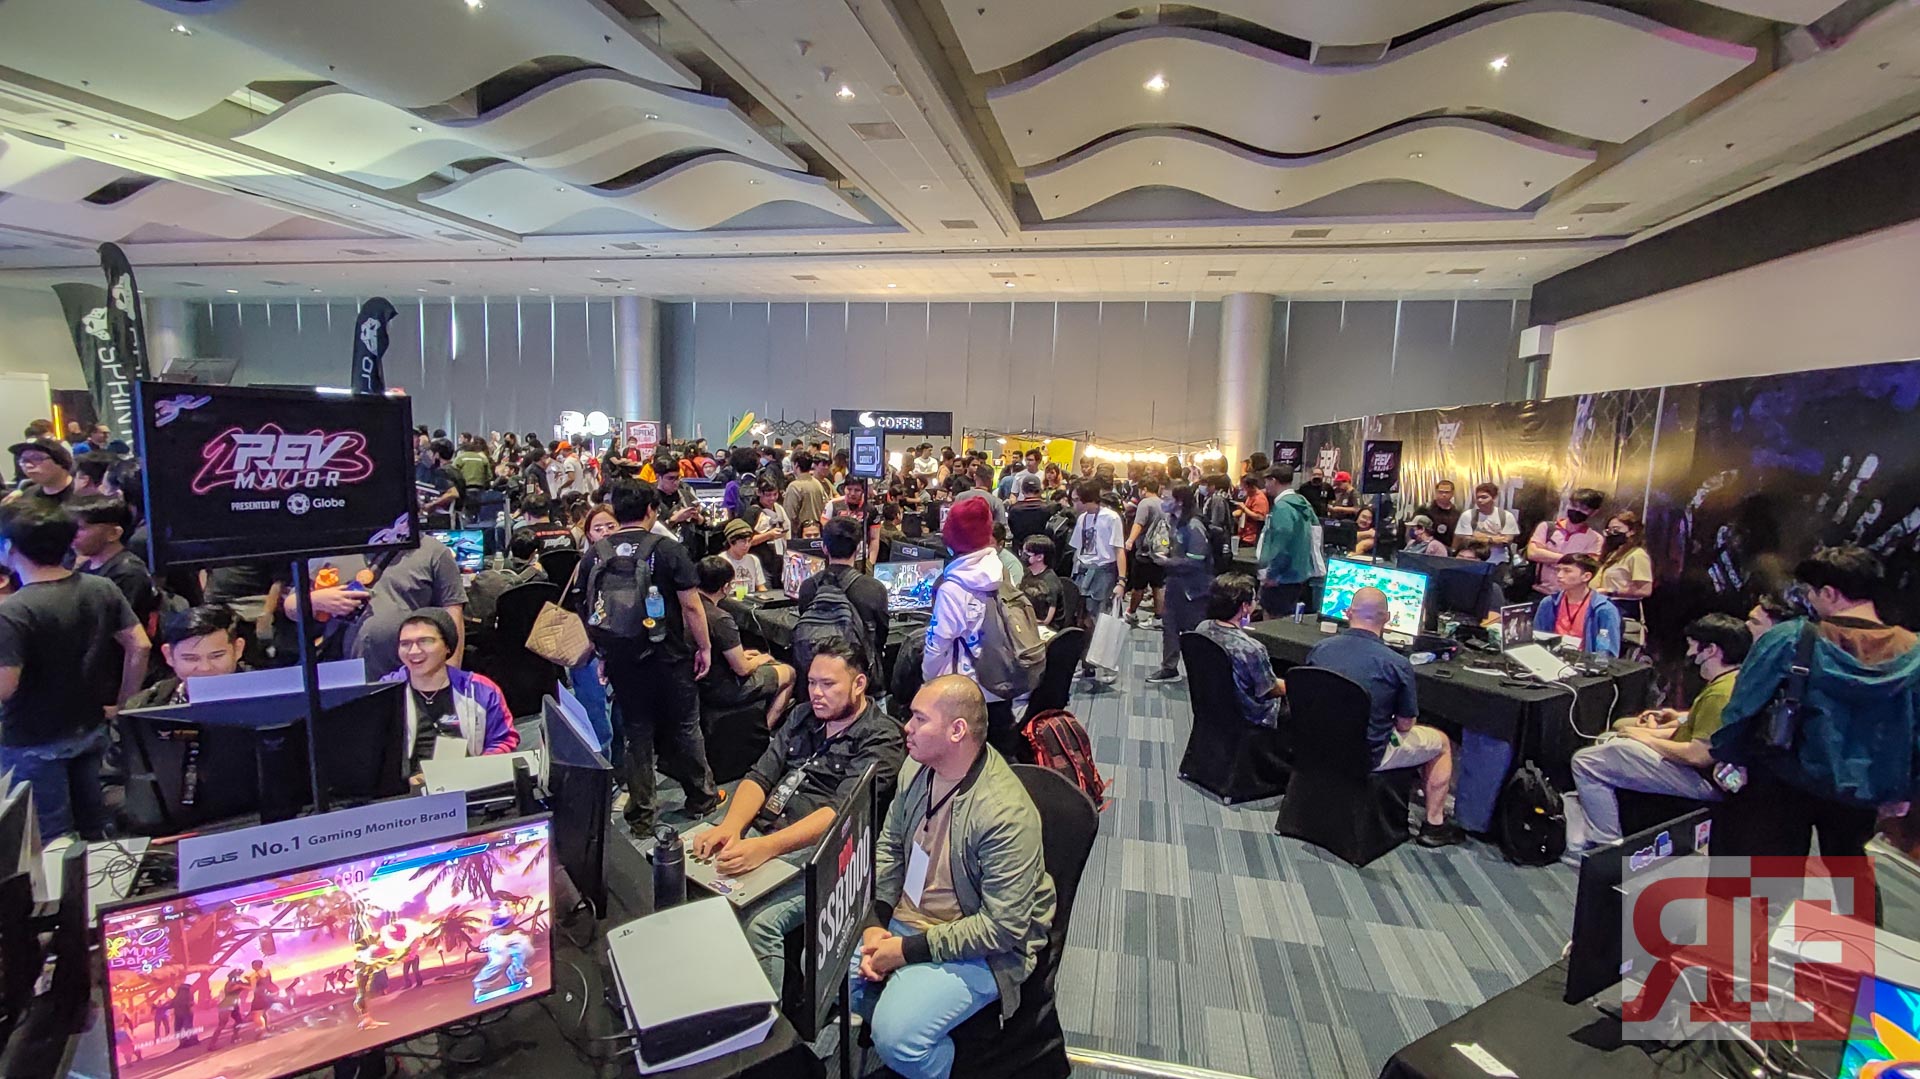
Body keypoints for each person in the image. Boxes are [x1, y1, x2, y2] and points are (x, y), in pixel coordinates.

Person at [856, 675, 1055, 1079]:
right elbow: (890, 846)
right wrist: (876, 920)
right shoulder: (917, 766)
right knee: (825, 972)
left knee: (897, 1037)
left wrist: (906, 951)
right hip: (907, 919)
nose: (906, 727)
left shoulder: (1004, 814)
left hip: (980, 945)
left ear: (957, 730)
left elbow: (1002, 928)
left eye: (919, 719)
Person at [694, 639, 903, 985]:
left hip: (826, 851)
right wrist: (731, 825)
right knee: (693, 873)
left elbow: (840, 814)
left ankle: (767, 1016)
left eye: (828, 684)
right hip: (768, 826)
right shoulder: (803, 715)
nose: (817, 693)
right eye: (812, 682)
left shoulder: (881, 737)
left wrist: (765, 847)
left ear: (859, 684)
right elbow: (760, 776)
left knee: (759, 923)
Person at [1710, 546, 1920, 863]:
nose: (1809, 599)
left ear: (1830, 593)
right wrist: (1906, 791)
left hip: (1784, 781)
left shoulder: (1791, 638)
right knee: (1852, 875)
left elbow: (1744, 705)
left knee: (1772, 880)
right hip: (1865, 791)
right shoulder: (1913, 653)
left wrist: (1728, 757)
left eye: (1811, 591)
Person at [566, 478, 721, 835]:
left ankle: (641, 814)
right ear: (651, 510)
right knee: (685, 726)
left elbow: (587, 609)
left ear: (616, 512)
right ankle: (701, 797)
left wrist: (603, 652)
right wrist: (705, 647)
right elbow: (692, 607)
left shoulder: (595, 553)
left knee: (636, 734)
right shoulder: (667, 550)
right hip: (670, 656)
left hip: (622, 659)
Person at [0, 501, 149, 839]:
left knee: (48, 837)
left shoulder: (13, 611)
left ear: (10, 548)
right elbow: (139, 645)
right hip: (92, 726)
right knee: (98, 827)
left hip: (31, 739)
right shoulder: (100, 587)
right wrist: (124, 702)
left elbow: (5, 686)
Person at [1566, 613, 1748, 857]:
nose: (1689, 652)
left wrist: (1646, 738)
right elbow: (1697, 730)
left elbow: (1698, 755)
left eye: (1693, 645)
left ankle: (1605, 846)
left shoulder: (1719, 694)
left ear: (1711, 650)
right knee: (1612, 737)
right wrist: (1655, 729)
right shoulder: (1732, 681)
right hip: (1697, 769)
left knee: (1585, 761)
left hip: (1700, 779)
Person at [1303, 587, 1463, 847]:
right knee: (1442, 742)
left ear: (1348, 612)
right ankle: (1434, 825)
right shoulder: (1397, 664)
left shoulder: (1320, 649)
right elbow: (1405, 724)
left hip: (1317, 745)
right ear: (1387, 618)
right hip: (1367, 754)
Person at [922, 497, 1024, 759]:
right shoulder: (1001, 571)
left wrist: (928, 683)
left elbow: (937, 646)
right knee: (1000, 759)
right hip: (1001, 679)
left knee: (966, 762)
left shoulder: (953, 587)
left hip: (967, 691)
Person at [290, 534, 467, 680]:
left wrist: (450, 679)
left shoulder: (433, 551)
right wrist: (316, 600)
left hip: (407, 675)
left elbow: (452, 615)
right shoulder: (330, 546)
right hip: (338, 675)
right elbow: (290, 607)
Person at [380, 610, 518, 776]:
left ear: (447, 646)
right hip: (407, 787)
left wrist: (475, 772)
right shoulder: (383, 692)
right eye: (405, 644)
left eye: (425, 641)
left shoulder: (480, 689)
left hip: (470, 781)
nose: (414, 651)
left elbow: (503, 740)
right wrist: (404, 781)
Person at [694, 556, 795, 728]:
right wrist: (761, 659)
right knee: (789, 672)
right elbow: (742, 669)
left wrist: (742, 655)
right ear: (725, 587)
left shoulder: (688, 609)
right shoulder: (720, 619)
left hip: (699, 682)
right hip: (721, 687)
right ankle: (766, 730)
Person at [797, 517, 891, 683]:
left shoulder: (808, 587)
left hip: (816, 674)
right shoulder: (874, 589)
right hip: (860, 677)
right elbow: (880, 637)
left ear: (824, 548)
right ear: (859, 548)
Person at [1194, 573, 1285, 727]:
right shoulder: (1251, 649)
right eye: (1254, 600)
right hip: (1249, 716)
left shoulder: (1202, 628)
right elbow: (1269, 689)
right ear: (1244, 607)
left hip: (1212, 708)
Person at [1146, 485, 1214, 685]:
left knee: (1195, 631)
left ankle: (1201, 672)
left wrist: (1168, 562)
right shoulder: (1174, 521)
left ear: (1180, 501)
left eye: (1167, 498)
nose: (1163, 501)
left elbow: (1196, 560)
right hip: (1176, 583)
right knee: (1170, 626)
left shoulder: (1194, 525)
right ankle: (1169, 667)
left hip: (1194, 589)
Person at [125, 605, 244, 708]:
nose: (205, 668)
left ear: (238, 649)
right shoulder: (144, 707)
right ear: (169, 655)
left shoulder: (256, 698)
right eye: (191, 658)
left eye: (216, 656)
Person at [69, 496, 157, 625]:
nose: (72, 534)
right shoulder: (84, 566)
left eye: (81, 528)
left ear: (113, 533)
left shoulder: (128, 572)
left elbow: (115, 625)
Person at [1256, 466, 1318, 618]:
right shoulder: (1303, 504)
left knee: (1271, 622)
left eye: (1266, 481)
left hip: (1280, 578)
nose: (1265, 486)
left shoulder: (1282, 507)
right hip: (1298, 574)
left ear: (1273, 480)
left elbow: (1281, 545)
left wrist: (1272, 574)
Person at [1532, 554, 1623, 656]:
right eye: (1558, 570)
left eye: (1567, 571)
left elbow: (1608, 652)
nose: (1559, 575)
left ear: (1586, 576)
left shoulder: (1604, 609)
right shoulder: (1549, 603)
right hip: (1552, 658)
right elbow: (1537, 638)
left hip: (1586, 662)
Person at [1527, 489, 1607, 594]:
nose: (1577, 510)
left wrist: (1546, 555)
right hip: (1540, 591)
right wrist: (1571, 560)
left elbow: (1586, 566)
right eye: (1574, 505)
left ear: (1594, 512)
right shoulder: (1547, 527)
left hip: (1571, 595)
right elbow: (1532, 554)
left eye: (1584, 509)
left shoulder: (1595, 539)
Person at [1124, 477, 1168, 629]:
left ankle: (1131, 612)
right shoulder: (1164, 503)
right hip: (1161, 551)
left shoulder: (1145, 503)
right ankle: (1158, 617)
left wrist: (1130, 540)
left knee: (1139, 586)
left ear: (1144, 489)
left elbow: (1139, 523)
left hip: (1145, 552)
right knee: (1158, 585)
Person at [1598, 510, 1654, 604]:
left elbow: (1645, 590)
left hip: (1623, 605)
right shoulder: (1612, 553)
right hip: (1605, 603)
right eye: (1608, 531)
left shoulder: (1637, 555)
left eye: (1616, 529)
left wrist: (1611, 592)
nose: (1612, 533)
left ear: (1631, 531)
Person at [1456, 482, 1520, 561]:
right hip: (1473, 559)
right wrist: (1492, 539)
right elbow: (1465, 539)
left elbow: (1506, 540)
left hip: (1498, 560)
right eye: (1478, 497)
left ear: (1494, 498)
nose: (1480, 500)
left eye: (1484, 497)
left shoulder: (1507, 516)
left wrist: (1477, 536)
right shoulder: (1468, 515)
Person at [6, 438, 75, 508]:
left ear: (60, 462)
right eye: (24, 460)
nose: (28, 465)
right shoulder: (26, 497)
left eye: (37, 458)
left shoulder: (80, 493)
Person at [1017, 536, 1069, 629]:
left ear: (1040, 557)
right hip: (1027, 619)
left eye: (1027, 553)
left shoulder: (1049, 583)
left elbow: (1045, 620)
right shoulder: (1028, 573)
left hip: (1047, 629)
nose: (1023, 555)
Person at [418, 438, 464, 530]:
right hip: (457, 518)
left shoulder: (441, 472)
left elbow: (453, 493)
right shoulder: (455, 470)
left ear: (437, 455)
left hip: (445, 520)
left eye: (431, 453)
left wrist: (432, 504)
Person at [781, 452, 829, 531]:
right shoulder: (817, 483)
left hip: (801, 531)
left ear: (796, 465)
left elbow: (789, 515)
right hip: (817, 529)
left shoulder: (794, 486)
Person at [718, 519, 768, 593]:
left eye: (749, 541)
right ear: (731, 542)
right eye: (743, 541)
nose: (747, 545)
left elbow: (761, 586)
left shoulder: (753, 559)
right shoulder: (721, 561)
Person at [953, 464, 1007, 530]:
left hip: (961, 535)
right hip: (986, 535)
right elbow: (1002, 528)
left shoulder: (960, 497)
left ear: (975, 476)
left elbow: (952, 522)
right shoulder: (996, 502)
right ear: (991, 480)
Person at [1006, 473, 1052, 550]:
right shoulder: (1048, 508)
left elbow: (1011, 530)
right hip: (1041, 550)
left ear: (1022, 491)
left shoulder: (1014, 509)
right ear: (1040, 491)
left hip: (1019, 550)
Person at [1416, 480, 1462, 548]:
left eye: (1447, 492)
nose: (1444, 495)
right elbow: (1414, 528)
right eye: (1441, 492)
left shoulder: (1457, 512)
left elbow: (1458, 534)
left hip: (1448, 549)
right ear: (1436, 492)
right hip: (1426, 548)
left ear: (1452, 493)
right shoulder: (1425, 509)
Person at [1235, 473, 1268, 552]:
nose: (1241, 488)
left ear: (1248, 486)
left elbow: (1259, 517)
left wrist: (1244, 508)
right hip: (1244, 534)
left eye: (1243, 486)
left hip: (1252, 538)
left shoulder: (1259, 498)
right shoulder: (1250, 495)